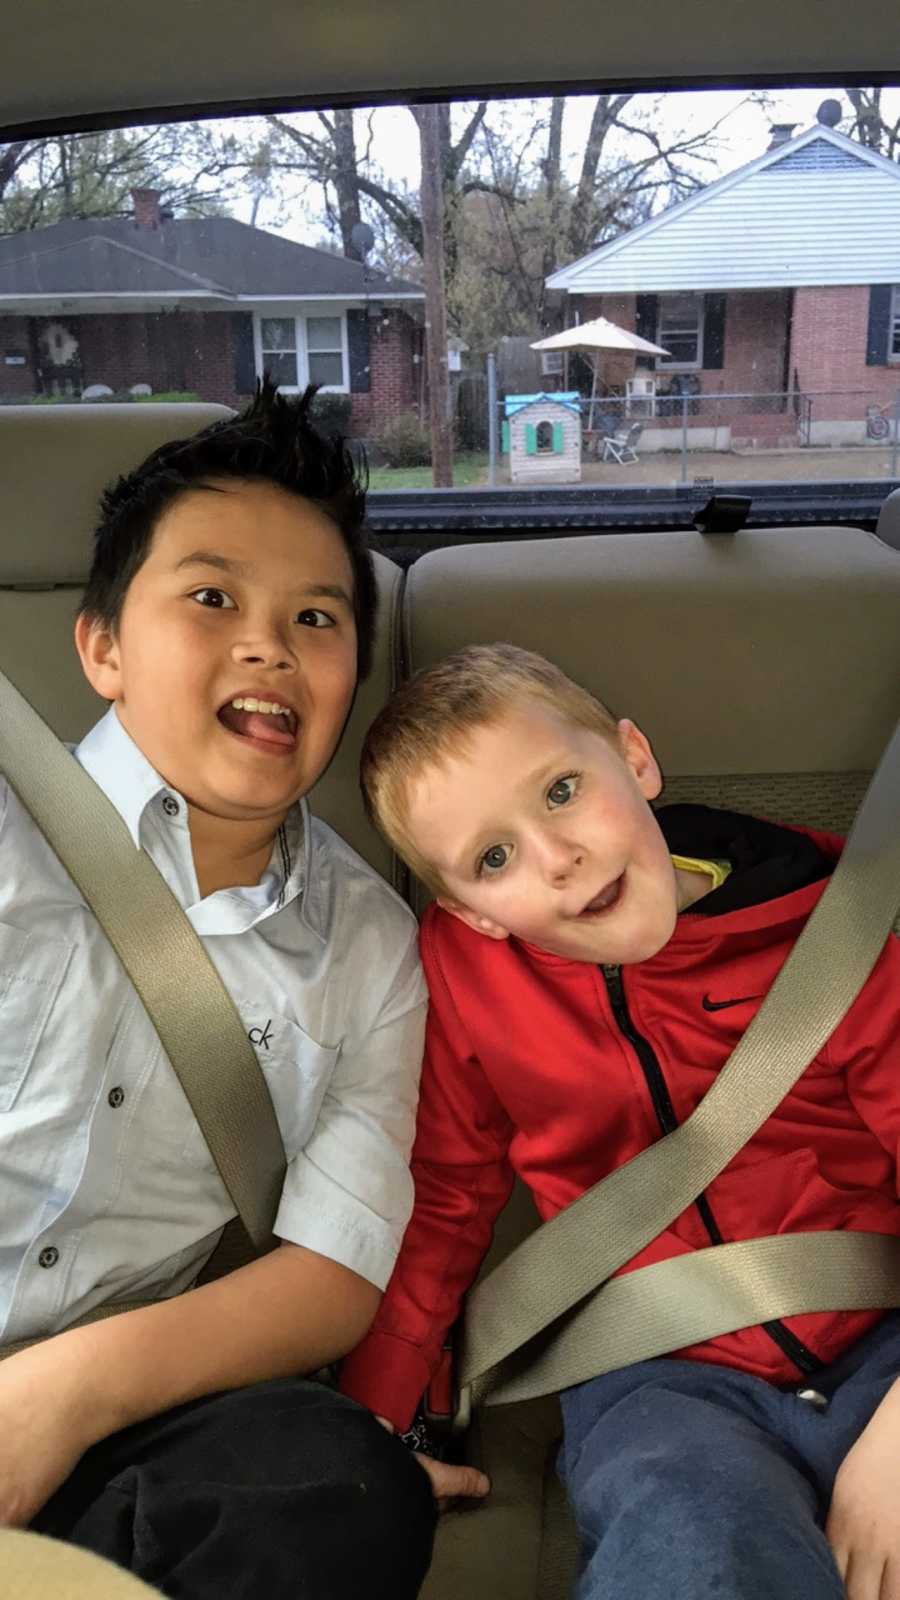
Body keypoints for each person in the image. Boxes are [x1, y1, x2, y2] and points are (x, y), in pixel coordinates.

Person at [339, 641, 900, 1600]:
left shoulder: (839, 929)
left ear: (633, 758)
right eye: (495, 858)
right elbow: (446, 1196)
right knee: (687, 1541)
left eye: (561, 792)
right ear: (468, 913)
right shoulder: (469, 977)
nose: (561, 861)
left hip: (883, 1334)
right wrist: (370, 1427)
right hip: (655, 1369)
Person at [0, 381, 435, 1598]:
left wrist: (63, 1392)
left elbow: (331, 1273)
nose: (268, 644)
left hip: (122, 1410)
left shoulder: (372, 947)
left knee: (341, 1485)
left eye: (318, 616)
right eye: (211, 597)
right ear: (101, 648)